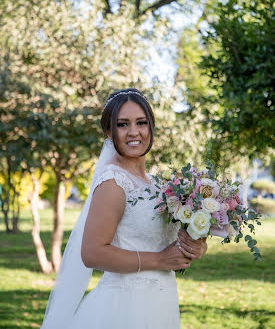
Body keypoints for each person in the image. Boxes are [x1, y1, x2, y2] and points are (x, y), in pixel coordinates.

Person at [41, 88, 207, 329]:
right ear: (109, 131)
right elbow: (92, 253)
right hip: (124, 307)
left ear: (151, 127)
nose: (134, 132)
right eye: (122, 124)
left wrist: (194, 247)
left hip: (160, 302)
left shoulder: (159, 184)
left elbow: (168, 241)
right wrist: (160, 259)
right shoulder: (113, 182)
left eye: (141, 122)